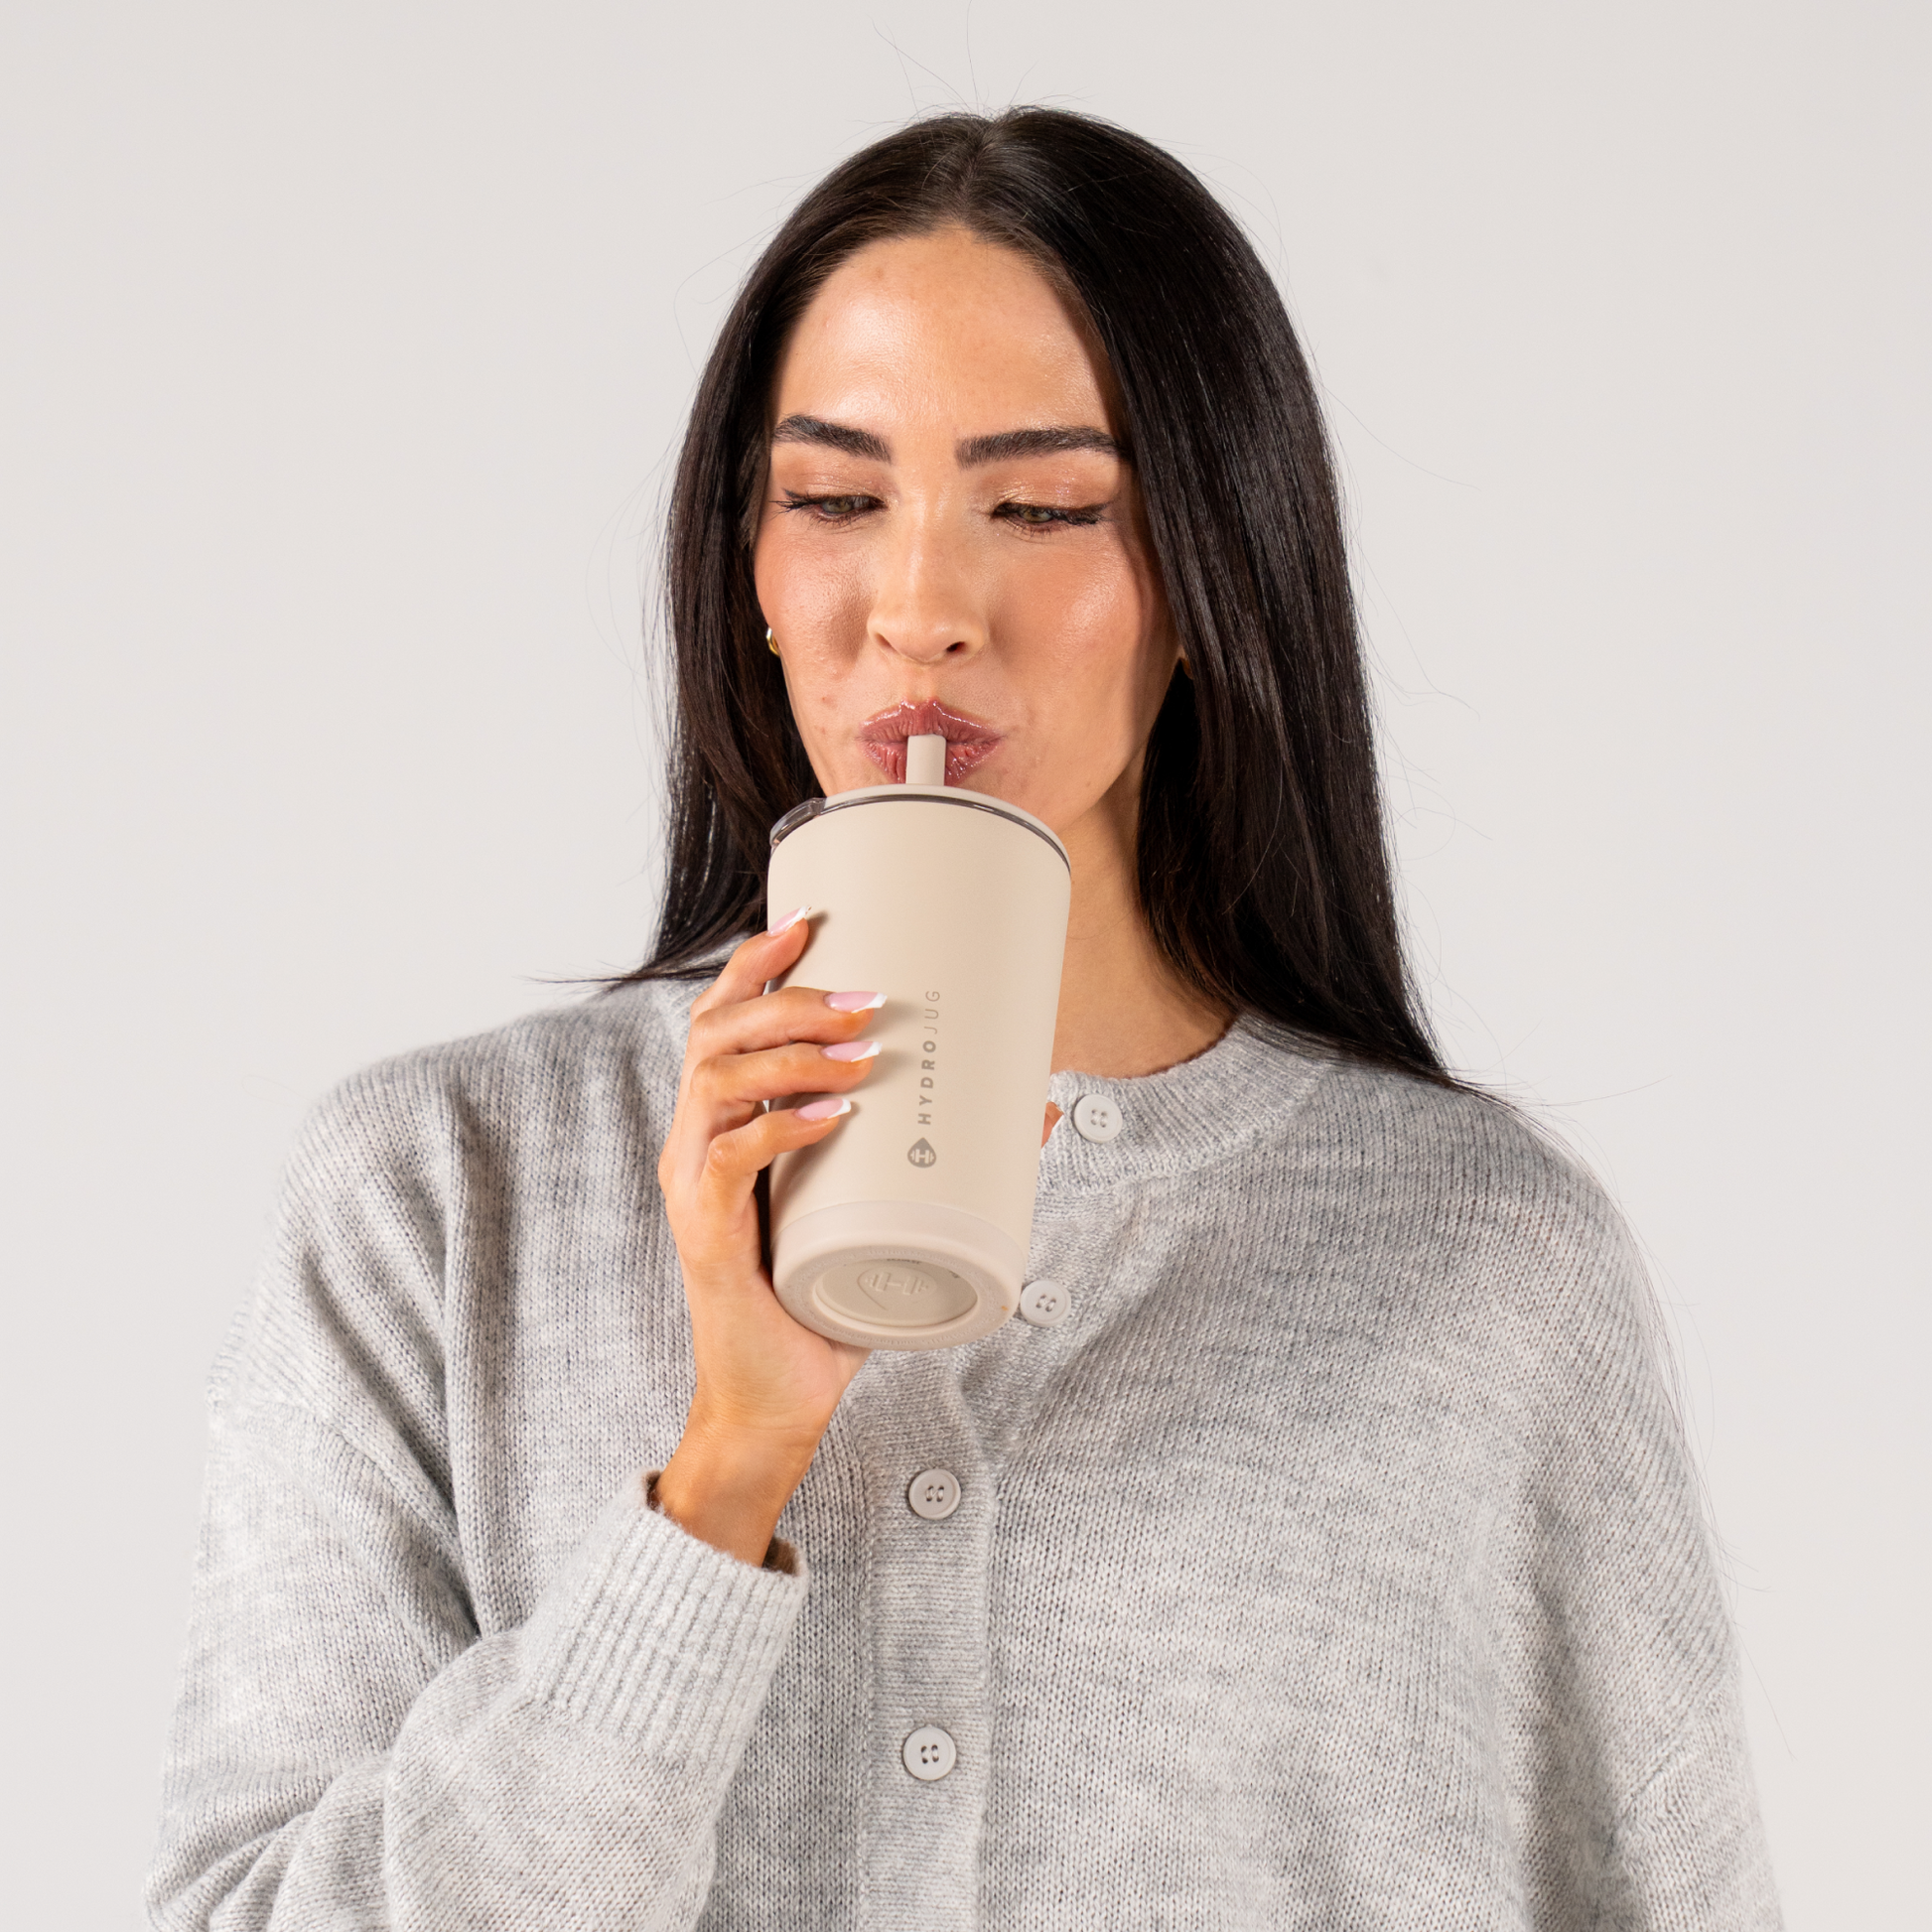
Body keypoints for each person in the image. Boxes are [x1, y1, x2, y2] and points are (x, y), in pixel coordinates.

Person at [148, 108, 1780, 1929]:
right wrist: (723, 1474)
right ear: (751, 573)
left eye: (1046, 508)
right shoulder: (439, 1196)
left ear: (1208, 573)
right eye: (835, 499)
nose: (919, 608)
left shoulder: (1484, 1266)